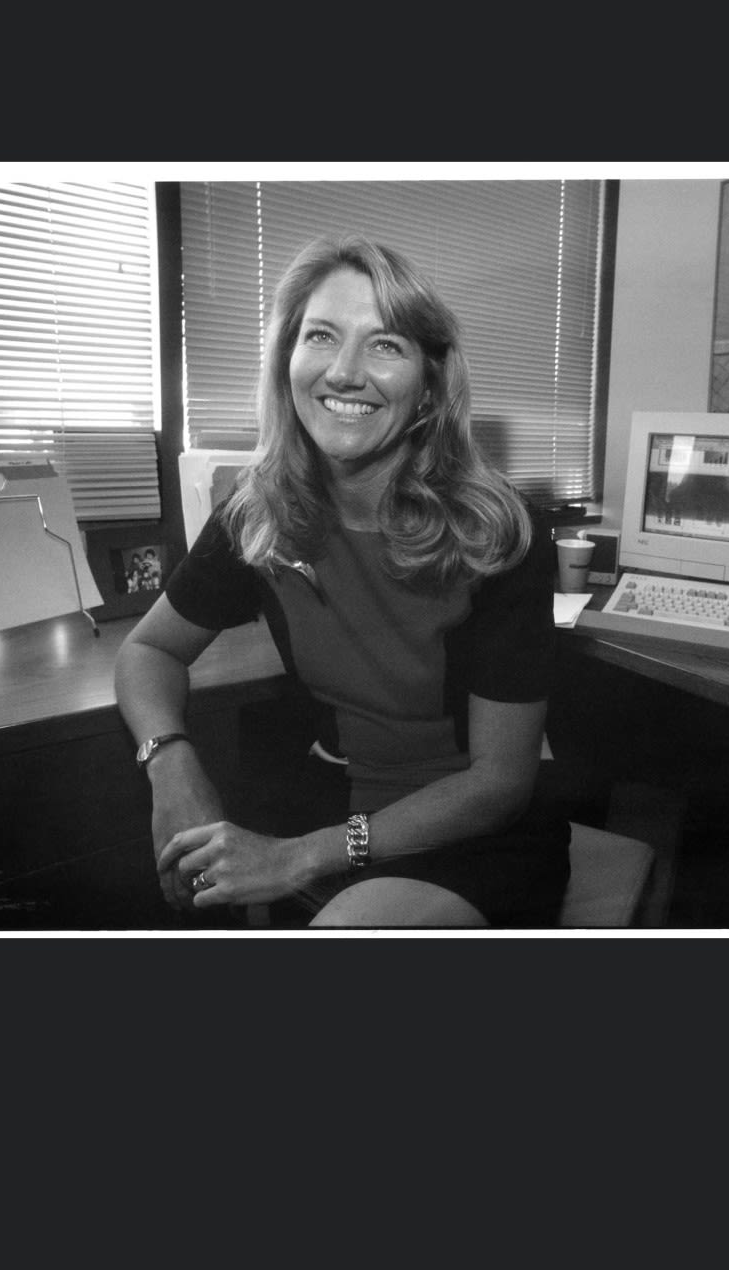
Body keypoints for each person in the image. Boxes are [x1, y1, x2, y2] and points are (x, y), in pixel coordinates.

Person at [114, 234, 563, 927]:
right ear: (287, 360)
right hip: (335, 798)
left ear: (428, 387)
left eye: (385, 345)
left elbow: (500, 784)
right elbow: (148, 651)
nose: (345, 372)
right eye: (321, 336)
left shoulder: (502, 533)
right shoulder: (256, 511)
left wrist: (301, 856)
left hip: (469, 830)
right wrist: (170, 766)